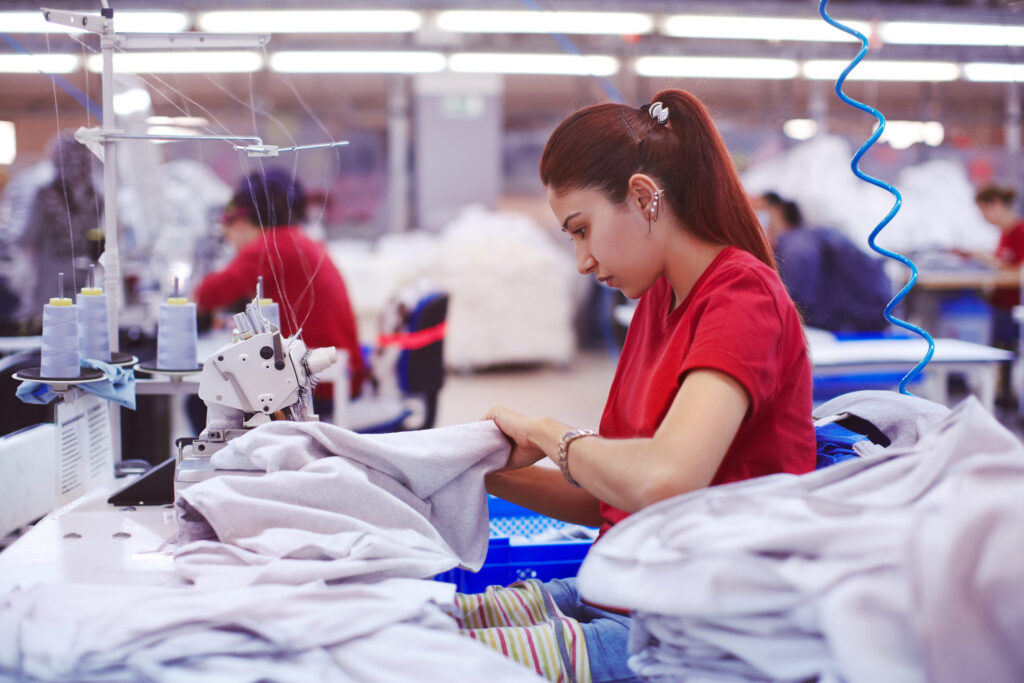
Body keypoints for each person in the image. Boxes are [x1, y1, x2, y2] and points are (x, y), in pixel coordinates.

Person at [471, 91, 817, 682]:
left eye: (582, 230)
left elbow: (665, 479)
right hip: (622, 589)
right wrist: (474, 470)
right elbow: (616, 494)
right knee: (414, 621)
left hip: (700, 626)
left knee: (411, 662)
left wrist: (549, 434)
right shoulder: (657, 302)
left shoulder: (741, 296)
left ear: (641, 195)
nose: (581, 260)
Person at [193, 168, 365, 405]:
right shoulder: (299, 240)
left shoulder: (270, 245)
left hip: (320, 384)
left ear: (243, 221)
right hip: (338, 374)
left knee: (205, 400)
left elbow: (207, 294)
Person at [759, 191, 891, 333]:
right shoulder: (804, 240)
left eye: (758, 210)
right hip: (855, 325)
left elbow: (797, 304)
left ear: (777, 211)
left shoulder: (797, 246)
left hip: (847, 331)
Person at [18, 131, 102, 326]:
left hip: (56, 281)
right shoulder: (95, 196)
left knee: (55, 333)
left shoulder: (45, 195)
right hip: (78, 281)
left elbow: (26, 237)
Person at [974, 183, 1024, 349]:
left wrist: (990, 261)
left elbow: (1019, 272)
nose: (984, 217)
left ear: (997, 204)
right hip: (1000, 304)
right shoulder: (1004, 233)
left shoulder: (1020, 232)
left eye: (984, 211)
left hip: (1013, 307)